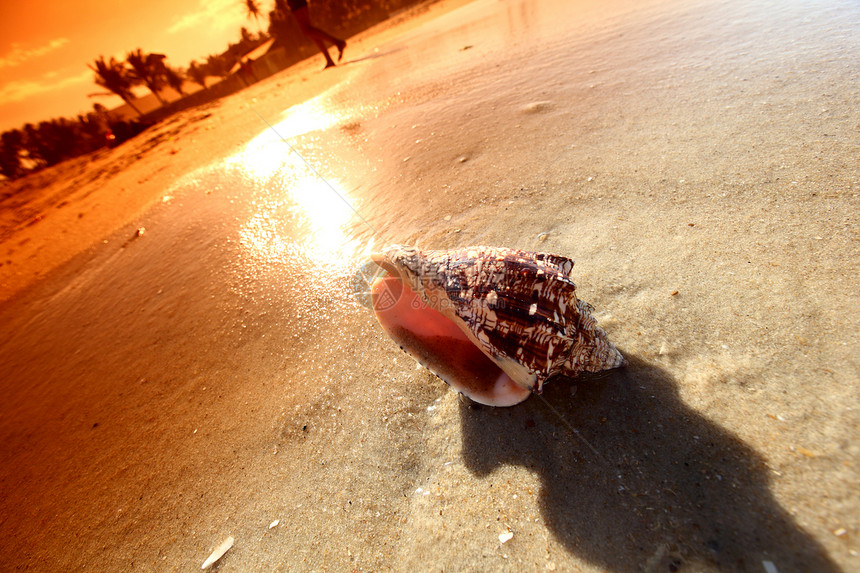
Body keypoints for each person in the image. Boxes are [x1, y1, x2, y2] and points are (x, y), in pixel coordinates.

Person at [282, 0, 346, 69]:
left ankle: (337, 43)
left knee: (307, 30)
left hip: (296, 2)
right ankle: (329, 59)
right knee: (308, 29)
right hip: (295, 3)